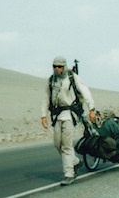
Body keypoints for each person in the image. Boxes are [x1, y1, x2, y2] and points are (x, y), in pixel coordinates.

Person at [41, 56, 96, 185]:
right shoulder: (51, 81)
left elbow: (85, 91)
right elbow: (46, 98)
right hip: (57, 116)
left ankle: (69, 174)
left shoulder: (72, 77)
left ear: (64, 66)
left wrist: (91, 109)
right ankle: (76, 161)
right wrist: (43, 115)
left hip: (70, 114)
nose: (57, 69)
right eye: (55, 66)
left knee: (66, 145)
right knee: (57, 144)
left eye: (59, 66)